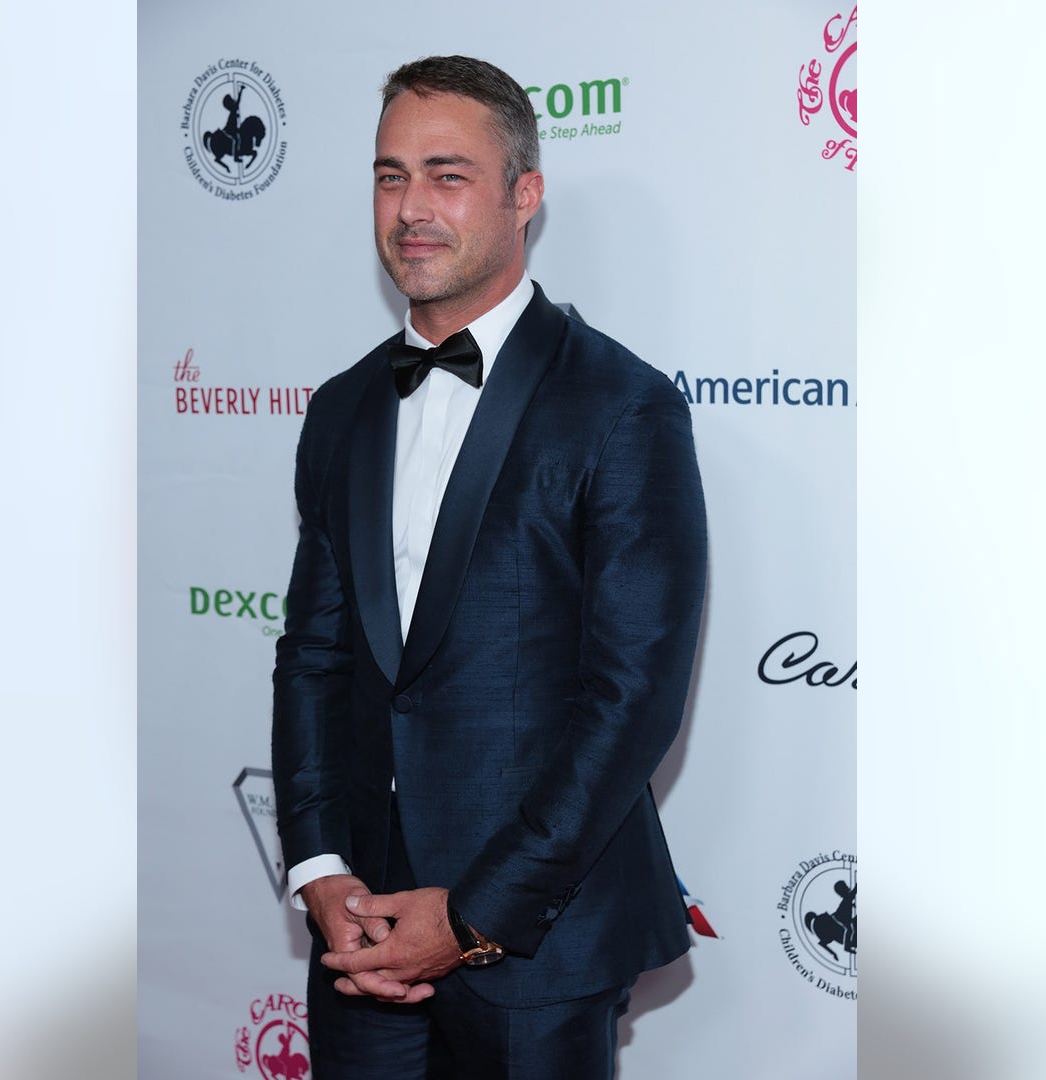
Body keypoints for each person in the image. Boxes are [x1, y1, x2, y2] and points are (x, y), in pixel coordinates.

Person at [272, 54, 708, 1079]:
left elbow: (632, 698)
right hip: (363, 936)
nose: (411, 207)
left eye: (446, 174)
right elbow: (313, 657)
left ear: (525, 195)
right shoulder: (342, 409)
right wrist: (320, 867)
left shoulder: (622, 407)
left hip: (538, 944)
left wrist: (471, 915)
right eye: (390, 176)